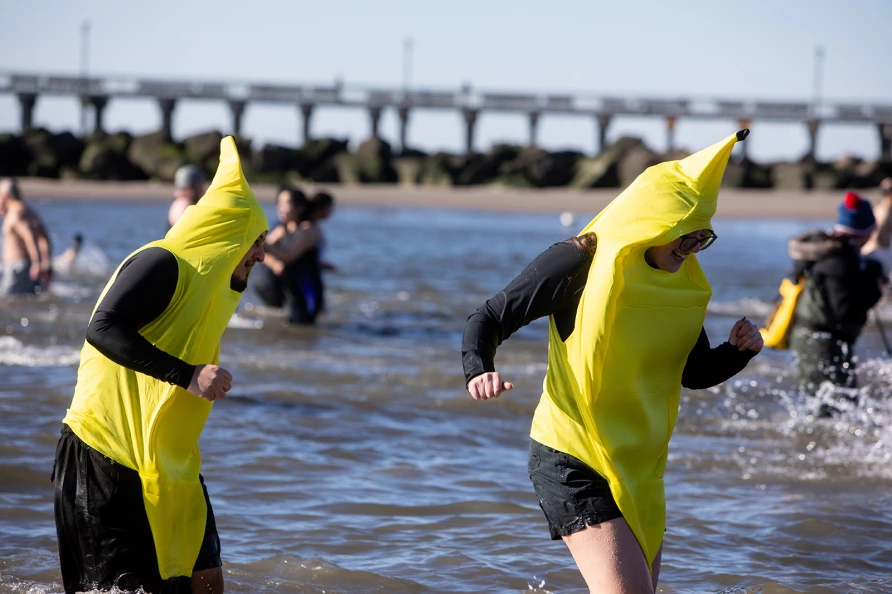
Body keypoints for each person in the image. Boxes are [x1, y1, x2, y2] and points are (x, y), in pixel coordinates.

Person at [462, 130, 762, 594]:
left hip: (640, 468)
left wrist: (736, 353)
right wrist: (479, 368)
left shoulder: (678, 286)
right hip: (573, 455)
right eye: (683, 239)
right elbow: (491, 315)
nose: (689, 252)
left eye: (702, 240)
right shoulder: (578, 261)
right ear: (652, 225)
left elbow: (693, 372)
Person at [52, 137, 268, 594]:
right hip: (104, 455)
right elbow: (102, 327)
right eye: (256, 241)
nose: (262, 255)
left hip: (171, 463)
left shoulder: (211, 290)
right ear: (226, 236)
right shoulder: (163, 263)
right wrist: (188, 375)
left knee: (205, 579)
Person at [786, 191, 886, 398]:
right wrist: (874, 287)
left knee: (826, 402)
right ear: (865, 231)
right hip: (822, 343)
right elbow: (844, 310)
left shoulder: (827, 247)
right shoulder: (841, 259)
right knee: (835, 405)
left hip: (810, 337)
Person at [251, 185, 323, 324]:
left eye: (286, 204)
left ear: (300, 207)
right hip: (290, 289)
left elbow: (289, 256)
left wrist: (261, 242)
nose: (280, 208)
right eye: (279, 203)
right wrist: (273, 262)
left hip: (306, 290)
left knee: (304, 327)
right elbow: (263, 251)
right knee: (290, 329)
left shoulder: (307, 229)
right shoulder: (283, 228)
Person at [0, 177, 53, 295]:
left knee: (8, 302)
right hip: (27, 267)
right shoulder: (28, 210)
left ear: (4, 195)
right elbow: (44, 237)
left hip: (18, 269)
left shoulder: (15, 213)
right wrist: (46, 262)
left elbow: (29, 235)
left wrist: (37, 263)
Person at [862, 177, 892, 272]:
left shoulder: (880, 208)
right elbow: (877, 235)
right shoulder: (884, 212)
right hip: (877, 253)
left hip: (875, 252)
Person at [168, 164, 208, 228]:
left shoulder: (179, 201)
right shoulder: (184, 204)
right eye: (200, 185)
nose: (202, 190)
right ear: (192, 187)